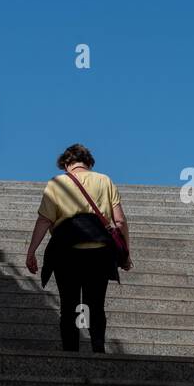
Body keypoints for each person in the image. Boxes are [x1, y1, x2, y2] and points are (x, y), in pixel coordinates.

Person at [24, 144, 131, 353]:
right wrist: (126, 254)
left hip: (66, 253)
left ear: (66, 163)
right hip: (99, 252)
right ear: (88, 162)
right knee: (96, 304)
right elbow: (120, 222)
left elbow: (44, 220)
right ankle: (98, 347)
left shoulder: (57, 183)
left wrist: (31, 252)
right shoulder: (104, 180)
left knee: (69, 305)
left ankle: (70, 351)